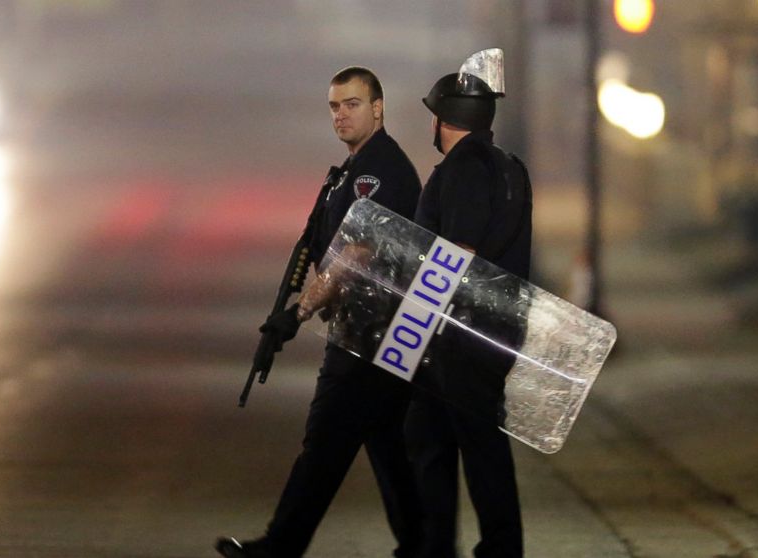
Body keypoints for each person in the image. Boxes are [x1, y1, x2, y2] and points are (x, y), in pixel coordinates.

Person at [216, 67, 423, 558]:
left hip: (370, 335)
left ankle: (281, 546)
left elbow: (357, 254)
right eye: (334, 106)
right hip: (370, 335)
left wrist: (299, 313)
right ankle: (423, 546)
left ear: (378, 108)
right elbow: (323, 252)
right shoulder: (350, 173)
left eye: (352, 104)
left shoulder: (380, 172)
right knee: (388, 447)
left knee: (325, 445)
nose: (341, 115)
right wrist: (295, 307)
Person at [405, 49, 532, 558]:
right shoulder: (510, 167)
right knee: (430, 435)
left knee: (475, 447)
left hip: (460, 332)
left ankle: (499, 548)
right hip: (496, 325)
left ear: (442, 119)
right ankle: (438, 546)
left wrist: (417, 320)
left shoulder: (462, 169)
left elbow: (457, 253)